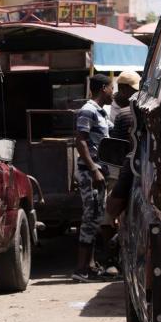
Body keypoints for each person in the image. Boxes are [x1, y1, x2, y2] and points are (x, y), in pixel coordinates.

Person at [71, 74, 115, 282]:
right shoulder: (88, 111)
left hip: (99, 171)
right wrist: (94, 169)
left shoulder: (101, 113)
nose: (113, 93)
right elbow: (81, 142)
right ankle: (81, 270)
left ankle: (89, 266)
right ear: (104, 88)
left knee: (96, 216)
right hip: (90, 172)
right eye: (111, 88)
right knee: (90, 218)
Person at [102, 71, 141, 274]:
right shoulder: (113, 110)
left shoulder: (134, 111)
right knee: (111, 215)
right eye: (133, 90)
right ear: (123, 89)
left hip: (130, 168)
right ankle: (110, 259)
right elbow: (117, 149)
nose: (136, 94)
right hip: (118, 169)